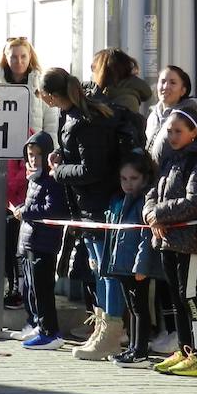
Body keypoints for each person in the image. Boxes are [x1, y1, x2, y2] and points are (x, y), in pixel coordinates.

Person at [36, 67, 123, 348]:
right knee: (97, 269)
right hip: (85, 206)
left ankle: (111, 331)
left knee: (106, 270)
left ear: (49, 96)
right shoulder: (70, 114)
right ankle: (101, 327)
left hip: (98, 205)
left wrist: (59, 170)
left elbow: (92, 169)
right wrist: (62, 155)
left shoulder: (85, 119)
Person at [145, 108, 197, 378]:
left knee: (190, 296)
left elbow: (196, 201)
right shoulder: (170, 161)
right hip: (167, 241)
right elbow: (153, 194)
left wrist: (160, 213)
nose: (173, 136)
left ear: (194, 133)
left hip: (190, 242)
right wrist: (150, 214)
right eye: (169, 131)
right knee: (177, 298)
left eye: (179, 131)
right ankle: (184, 348)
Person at [0, 38, 53, 308]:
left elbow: (51, 123)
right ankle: (13, 284)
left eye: (23, 56)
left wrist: (50, 158)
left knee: (28, 228)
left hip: (34, 162)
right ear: (5, 58)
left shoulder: (40, 86)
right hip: (5, 164)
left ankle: (30, 288)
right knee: (7, 231)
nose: (18, 61)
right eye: (13, 56)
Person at [103, 150, 166, 367]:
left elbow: (144, 238)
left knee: (140, 308)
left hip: (135, 267)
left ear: (145, 178)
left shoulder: (142, 203)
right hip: (122, 264)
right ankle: (132, 348)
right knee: (131, 308)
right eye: (124, 179)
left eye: (134, 178)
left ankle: (140, 351)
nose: (128, 184)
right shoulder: (122, 200)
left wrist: (141, 267)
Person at [14, 129, 68, 350]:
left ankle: (50, 332)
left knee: (44, 289)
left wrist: (25, 211)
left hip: (44, 243)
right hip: (31, 241)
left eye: (37, 154)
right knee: (33, 288)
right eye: (29, 155)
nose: (33, 159)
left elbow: (52, 209)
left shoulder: (52, 179)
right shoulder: (33, 178)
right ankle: (40, 324)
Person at [145, 65, 197, 162]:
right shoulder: (152, 116)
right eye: (163, 81)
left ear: (183, 91)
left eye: (173, 83)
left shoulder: (189, 118)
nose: (166, 87)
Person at [91, 48, 152, 115]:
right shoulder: (107, 95)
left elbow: (106, 122)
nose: (92, 73)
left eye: (94, 68)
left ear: (105, 72)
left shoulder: (126, 100)